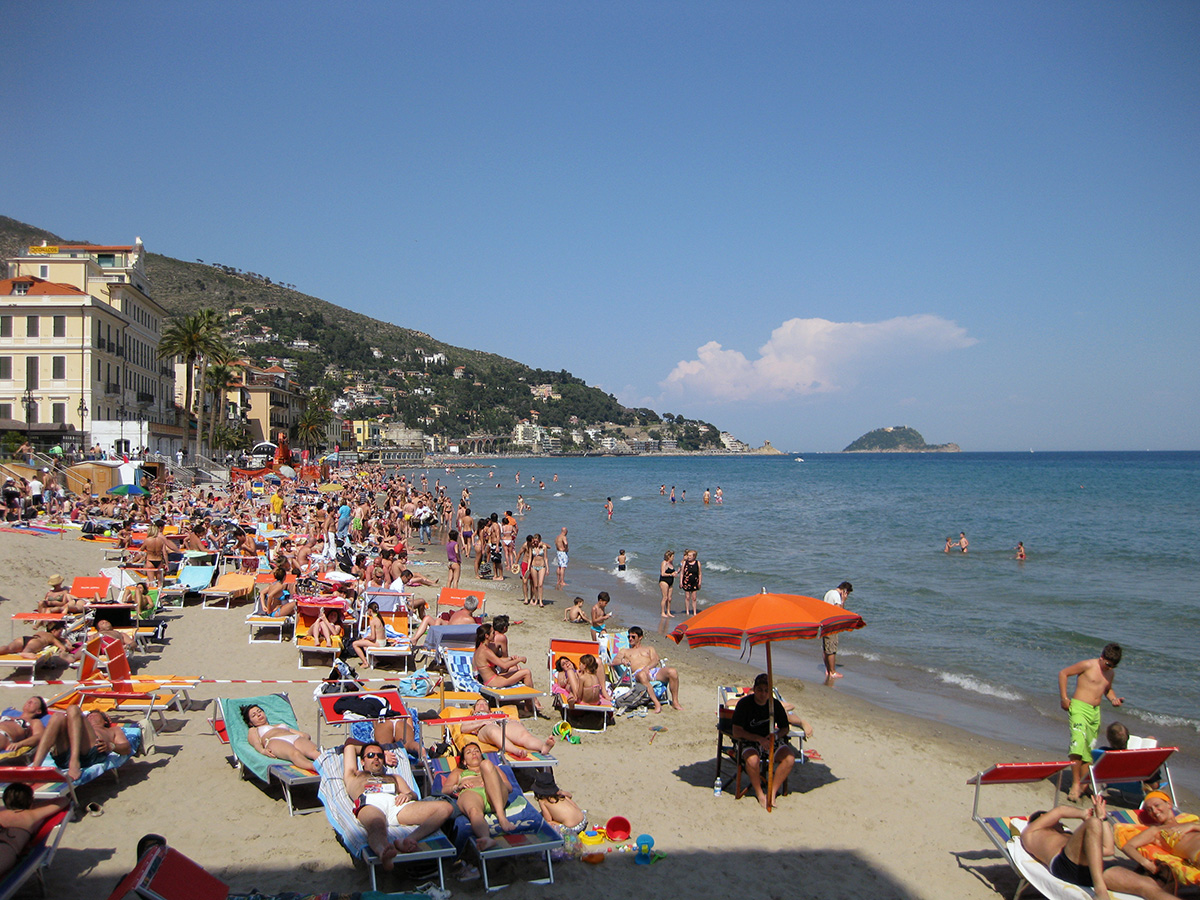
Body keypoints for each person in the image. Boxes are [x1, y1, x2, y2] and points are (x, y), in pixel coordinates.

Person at [1020, 795, 1174, 900]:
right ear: (1041, 818)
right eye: (1056, 821)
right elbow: (1059, 811)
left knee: (1148, 885)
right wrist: (1084, 814)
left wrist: (1102, 819)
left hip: (1092, 871)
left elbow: (1108, 849)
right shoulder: (1031, 832)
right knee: (1092, 823)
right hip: (1064, 865)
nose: (1061, 824)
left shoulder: (1069, 836)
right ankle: (1101, 891)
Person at [342, 742, 453, 867]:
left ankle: (409, 839)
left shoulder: (393, 777)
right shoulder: (354, 775)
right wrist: (384, 750)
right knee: (377, 824)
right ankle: (383, 851)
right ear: (362, 761)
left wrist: (407, 795)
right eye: (371, 755)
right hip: (370, 803)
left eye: (379, 755)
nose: (376, 758)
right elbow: (349, 745)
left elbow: (412, 794)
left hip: (396, 806)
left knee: (445, 808)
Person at [1059, 643, 1124, 802]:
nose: (1109, 668)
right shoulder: (1088, 665)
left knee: (1087, 749)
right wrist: (1064, 698)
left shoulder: (1110, 673)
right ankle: (1075, 783)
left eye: (1113, 666)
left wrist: (1113, 699)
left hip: (1095, 713)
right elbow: (1064, 673)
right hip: (1079, 708)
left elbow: (1107, 689)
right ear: (1102, 658)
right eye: (1108, 664)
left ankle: (1084, 784)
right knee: (1077, 743)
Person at [731, 673, 795, 809]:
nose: (763, 694)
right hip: (748, 740)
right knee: (753, 760)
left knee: (789, 758)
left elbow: (785, 728)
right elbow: (736, 731)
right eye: (760, 690)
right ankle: (760, 793)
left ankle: (771, 793)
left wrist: (775, 737)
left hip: (770, 739)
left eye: (767, 691)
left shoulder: (774, 705)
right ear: (754, 689)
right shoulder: (744, 704)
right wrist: (758, 739)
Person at [439, 742, 518, 850]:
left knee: (486, 765)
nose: (474, 753)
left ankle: (501, 817)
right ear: (464, 761)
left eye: (476, 750)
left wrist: (490, 782)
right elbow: (445, 789)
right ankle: (486, 838)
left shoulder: (492, 768)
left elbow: (508, 787)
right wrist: (458, 787)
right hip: (472, 794)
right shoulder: (458, 772)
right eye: (469, 752)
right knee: (474, 811)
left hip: (495, 796)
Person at [32, 706, 131, 782]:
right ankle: (35, 768)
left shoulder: (113, 730)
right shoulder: (76, 726)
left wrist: (111, 746)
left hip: (91, 753)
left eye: (95, 714)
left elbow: (126, 748)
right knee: (57, 716)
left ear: (105, 720)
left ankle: (74, 762)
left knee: (73, 708)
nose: (90, 715)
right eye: (88, 715)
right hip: (66, 756)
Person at [1122, 791, 1200, 876]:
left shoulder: (1189, 823)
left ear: (1169, 804)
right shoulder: (1155, 830)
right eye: (1149, 810)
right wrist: (1146, 863)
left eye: (1157, 805)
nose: (1154, 811)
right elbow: (1128, 847)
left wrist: (1192, 826)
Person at [0, 783, 70, 877]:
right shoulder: (31, 815)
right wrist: (33, 806)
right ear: (30, 800)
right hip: (6, 854)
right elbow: (64, 800)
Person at [612, 626, 682, 713]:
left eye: (633, 637)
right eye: (629, 637)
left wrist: (647, 668)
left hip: (652, 670)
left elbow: (655, 660)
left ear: (640, 637)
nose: (630, 639)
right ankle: (657, 703)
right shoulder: (625, 651)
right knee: (642, 675)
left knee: (673, 672)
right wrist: (622, 661)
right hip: (637, 674)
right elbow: (614, 661)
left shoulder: (649, 648)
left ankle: (675, 702)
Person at [458, 698, 555, 757]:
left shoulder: (496, 712)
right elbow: (463, 728)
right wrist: (483, 722)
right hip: (484, 727)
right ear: (474, 710)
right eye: (478, 704)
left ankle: (543, 746)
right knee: (493, 731)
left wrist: (515, 723)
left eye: (485, 704)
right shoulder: (473, 716)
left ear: (489, 709)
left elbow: (510, 719)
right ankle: (515, 750)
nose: (482, 705)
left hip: (502, 722)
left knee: (523, 735)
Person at [242, 704, 320, 771]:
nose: (258, 715)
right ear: (250, 723)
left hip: (293, 737)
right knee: (295, 753)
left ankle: (327, 764)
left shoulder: (280, 725)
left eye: (259, 711)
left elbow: (304, 735)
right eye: (254, 715)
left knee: (315, 751)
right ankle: (317, 769)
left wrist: (305, 741)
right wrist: (262, 751)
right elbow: (255, 743)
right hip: (274, 740)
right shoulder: (253, 730)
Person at [532, 769, 586, 835]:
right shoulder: (560, 795)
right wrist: (561, 792)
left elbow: (548, 819)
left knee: (547, 823)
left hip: (571, 829)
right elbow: (570, 795)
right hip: (583, 820)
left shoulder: (543, 801)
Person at [821, 581, 853, 679]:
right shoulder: (836, 596)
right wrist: (843, 600)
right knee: (832, 649)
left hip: (825, 623)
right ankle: (833, 671)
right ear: (845, 591)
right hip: (832, 625)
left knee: (826, 648)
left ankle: (828, 670)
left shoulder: (829, 593)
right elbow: (839, 612)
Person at [680, 548, 701, 616]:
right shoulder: (685, 563)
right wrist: (681, 582)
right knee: (687, 597)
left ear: (694, 556)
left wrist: (699, 582)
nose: (688, 557)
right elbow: (682, 573)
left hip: (695, 581)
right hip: (686, 581)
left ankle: (694, 612)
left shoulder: (697, 563)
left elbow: (700, 574)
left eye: (690, 555)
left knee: (694, 597)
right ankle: (687, 611)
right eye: (688, 555)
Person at [658, 550, 676, 618]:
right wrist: (671, 574)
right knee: (665, 597)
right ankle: (663, 612)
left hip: (671, 581)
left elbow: (672, 572)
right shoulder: (664, 563)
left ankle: (668, 611)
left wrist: (675, 573)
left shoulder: (671, 563)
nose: (673, 558)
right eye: (672, 556)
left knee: (669, 598)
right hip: (664, 581)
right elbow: (663, 573)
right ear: (669, 556)